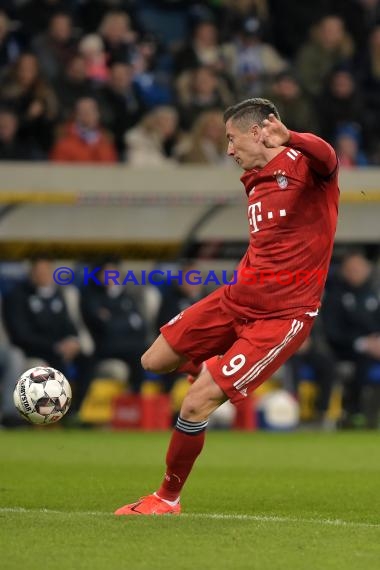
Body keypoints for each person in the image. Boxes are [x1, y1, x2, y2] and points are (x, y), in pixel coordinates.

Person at [114, 97, 339, 516]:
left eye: (233, 139)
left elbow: (328, 157)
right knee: (154, 360)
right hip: (235, 299)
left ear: (260, 131)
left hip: (281, 317)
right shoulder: (255, 178)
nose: (229, 150)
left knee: (195, 403)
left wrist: (292, 137)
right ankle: (210, 369)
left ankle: (166, 498)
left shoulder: (307, 166)